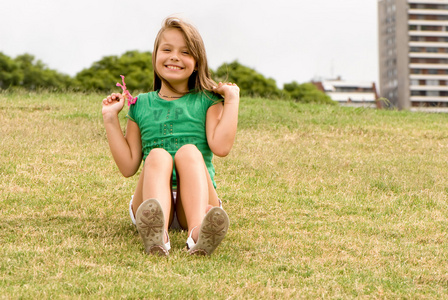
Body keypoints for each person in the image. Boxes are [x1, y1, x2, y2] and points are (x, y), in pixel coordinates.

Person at [101, 17, 240, 256]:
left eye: (185, 52)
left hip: (197, 201)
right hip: (150, 200)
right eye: (167, 49)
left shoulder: (207, 101)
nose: (175, 56)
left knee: (189, 152)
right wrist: (110, 118)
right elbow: (128, 167)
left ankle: (198, 233)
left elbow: (222, 146)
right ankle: (158, 235)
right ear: (155, 56)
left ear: (196, 63)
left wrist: (232, 99)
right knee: (157, 155)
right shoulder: (140, 104)